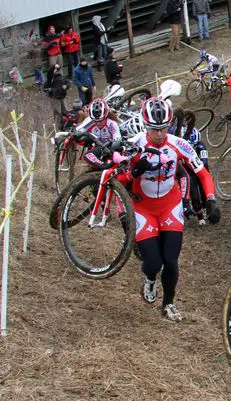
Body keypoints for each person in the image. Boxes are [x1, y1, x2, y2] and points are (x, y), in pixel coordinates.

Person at [121, 97, 220, 321]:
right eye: (155, 129)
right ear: (146, 125)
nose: (159, 134)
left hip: (170, 206)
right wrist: (134, 172)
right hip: (143, 207)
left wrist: (211, 199)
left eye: (164, 128)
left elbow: (202, 173)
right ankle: (148, 278)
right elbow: (118, 180)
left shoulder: (177, 143)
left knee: (171, 261)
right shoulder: (134, 144)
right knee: (153, 263)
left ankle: (168, 304)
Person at [76, 99, 122, 170]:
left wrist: (112, 144)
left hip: (109, 147)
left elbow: (117, 137)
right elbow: (79, 131)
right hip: (97, 145)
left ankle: (105, 166)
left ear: (106, 116)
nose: (98, 123)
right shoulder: (89, 121)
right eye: (95, 121)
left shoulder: (111, 124)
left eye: (101, 120)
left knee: (88, 155)